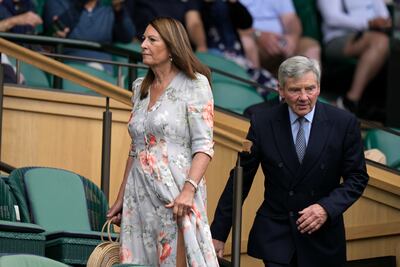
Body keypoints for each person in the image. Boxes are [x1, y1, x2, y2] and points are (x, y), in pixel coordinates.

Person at [210, 56, 369, 267]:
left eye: (310, 89)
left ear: (319, 88)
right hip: (277, 234)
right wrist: (218, 233)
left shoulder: (343, 123)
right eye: (295, 90)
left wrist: (326, 208)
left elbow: (357, 177)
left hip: (322, 235)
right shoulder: (262, 122)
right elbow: (240, 180)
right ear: (281, 90)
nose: (304, 97)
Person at [106, 17, 219, 267]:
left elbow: (204, 146)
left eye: (151, 40)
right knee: (138, 260)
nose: (143, 45)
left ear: (171, 47)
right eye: (143, 39)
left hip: (177, 193)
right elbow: (136, 150)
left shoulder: (195, 84)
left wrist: (189, 191)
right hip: (139, 194)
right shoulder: (140, 88)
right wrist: (121, 198)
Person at [317, 0, 391, 113]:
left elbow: (384, 14)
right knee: (380, 42)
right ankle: (349, 101)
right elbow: (332, 18)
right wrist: (368, 23)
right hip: (338, 38)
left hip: (373, 34)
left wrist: (384, 22)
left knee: (382, 42)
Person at [43, 0, 135, 73]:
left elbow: (127, 37)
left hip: (105, 71)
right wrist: (81, 3)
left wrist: (119, 9)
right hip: (70, 68)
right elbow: (55, 31)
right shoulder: (58, 2)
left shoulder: (108, 6)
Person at [239, 0, 321, 76]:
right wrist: (258, 35)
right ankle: (255, 86)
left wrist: (292, 37)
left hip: (282, 41)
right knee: (247, 43)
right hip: (252, 40)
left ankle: (306, 89)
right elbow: (232, 23)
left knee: (311, 48)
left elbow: (291, 19)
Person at [125, 0, 207, 52]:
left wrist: (201, 47)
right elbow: (125, 20)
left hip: (177, 50)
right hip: (143, 47)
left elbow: (194, 23)